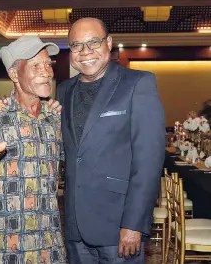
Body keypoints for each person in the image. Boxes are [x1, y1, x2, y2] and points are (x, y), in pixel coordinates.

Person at [56, 18, 166, 263]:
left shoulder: (138, 83)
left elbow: (148, 162)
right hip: (75, 226)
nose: (86, 52)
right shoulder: (64, 90)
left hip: (119, 226)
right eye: (76, 45)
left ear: (109, 43)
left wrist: (133, 224)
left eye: (93, 42)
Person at [0, 35, 67, 264]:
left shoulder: (55, 117)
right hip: (3, 247)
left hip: (48, 246)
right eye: (35, 65)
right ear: (14, 74)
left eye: (47, 64)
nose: (46, 71)